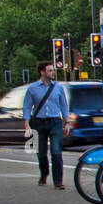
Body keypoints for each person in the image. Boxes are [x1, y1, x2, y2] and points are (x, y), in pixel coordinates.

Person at [22, 60, 72, 189]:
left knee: (56, 152)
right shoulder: (32, 88)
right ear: (42, 72)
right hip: (38, 123)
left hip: (55, 122)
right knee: (42, 153)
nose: (53, 73)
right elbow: (27, 106)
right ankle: (44, 173)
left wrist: (67, 122)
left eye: (53, 70)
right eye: (50, 70)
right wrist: (27, 124)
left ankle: (58, 181)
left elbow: (63, 105)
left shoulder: (58, 87)